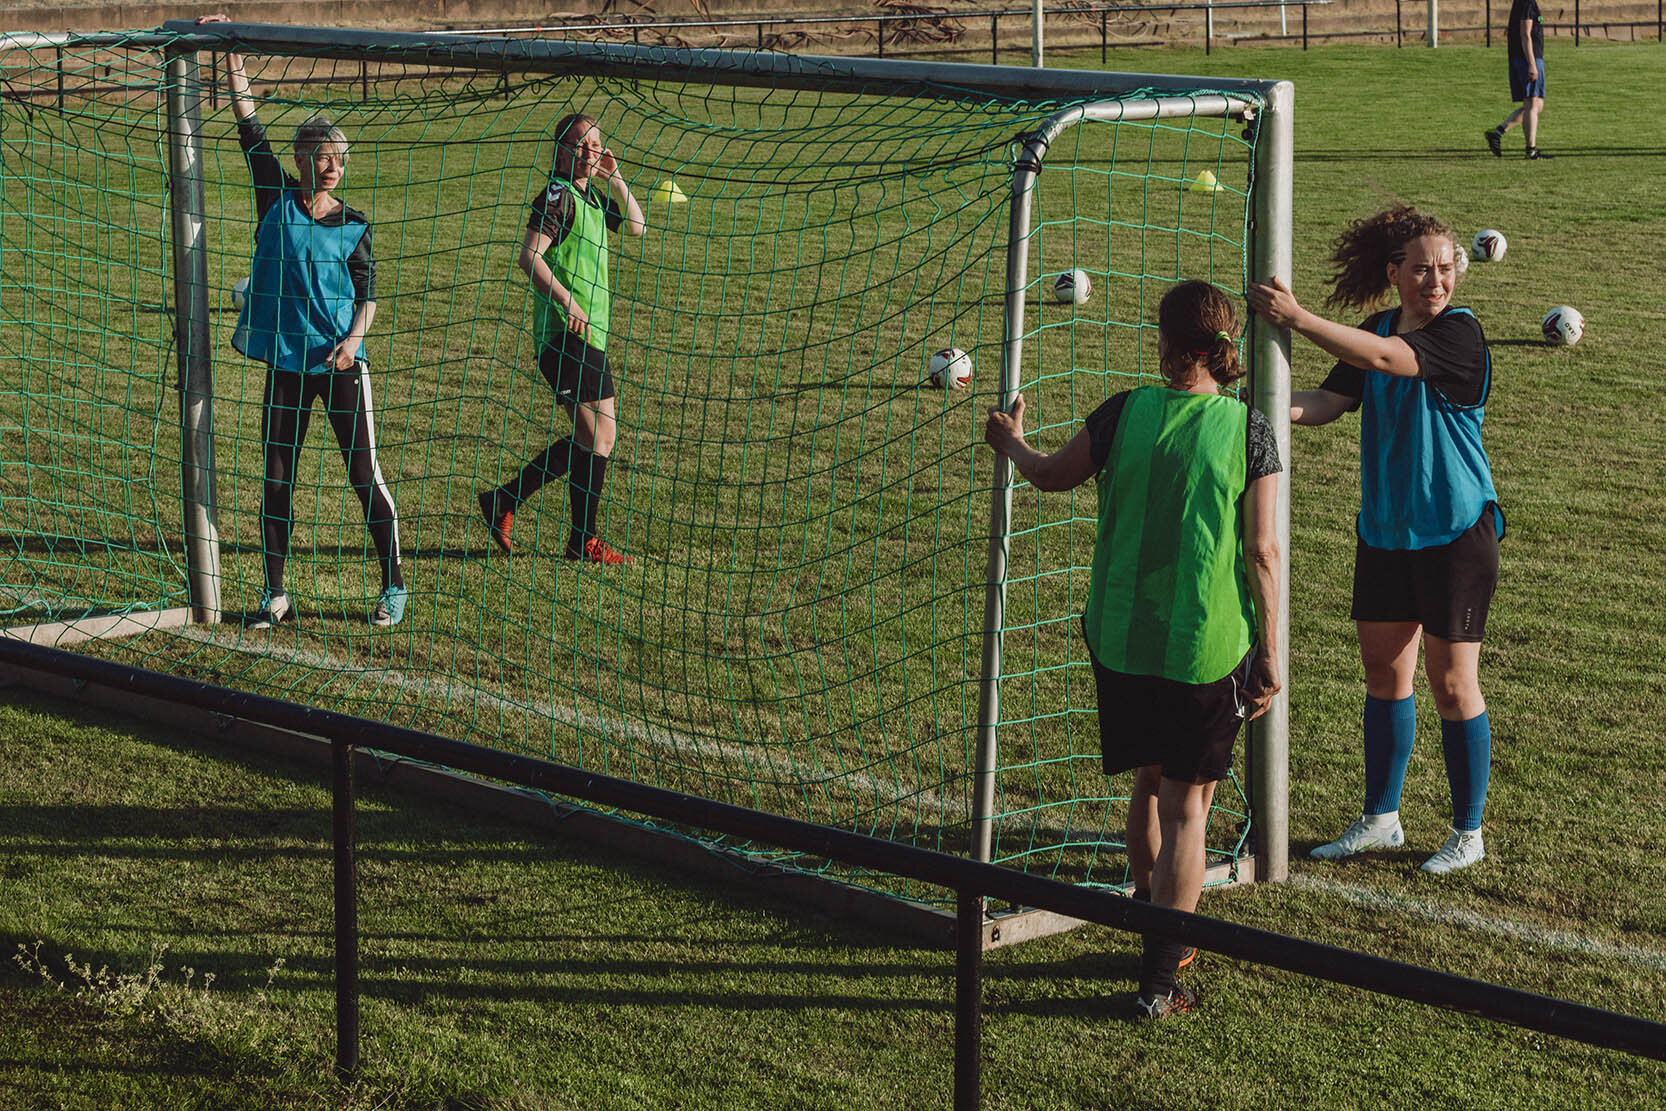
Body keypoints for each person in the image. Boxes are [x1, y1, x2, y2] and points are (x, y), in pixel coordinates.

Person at [985, 280, 1282, 1020]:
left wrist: (1009, 441)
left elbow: (1051, 474)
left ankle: (1151, 938)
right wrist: (1270, 649)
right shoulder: (1250, 429)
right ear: (1226, 343)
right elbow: (1265, 551)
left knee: (1148, 786)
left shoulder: (1125, 411)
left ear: (1163, 340)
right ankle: (1160, 976)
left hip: (1119, 638)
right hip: (1202, 646)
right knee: (1190, 807)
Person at [1248, 205, 1503, 877]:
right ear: (1395, 274)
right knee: (1385, 677)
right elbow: (1331, 402)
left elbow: (1392, 361)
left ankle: (1467, 830)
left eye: (1446, 268)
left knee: (1452, 684)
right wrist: (1255, 405)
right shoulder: (1376, 328)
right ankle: (1380, 818)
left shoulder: (1460, 335)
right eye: (1422, 269)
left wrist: (1298, 318)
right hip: (1386, 532)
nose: (1436, 281)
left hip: (1456, 532)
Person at [205, 17, 407, 629]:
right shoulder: (275, 196)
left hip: (340, 365)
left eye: (340, 159)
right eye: (323, 157)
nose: (333, 167)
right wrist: (230, 55)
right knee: (276, 476)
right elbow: (248, 126)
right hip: (287, 365)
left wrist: (351, 343)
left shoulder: (355, 224)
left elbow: (369, 295)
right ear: (300, 159)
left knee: (362, 475)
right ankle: (275, 593)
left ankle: (394, 586)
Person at [478, 112, 645, 564]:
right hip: (564, 333)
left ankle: (543, 520)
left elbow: (636, 226)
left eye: (595, 143)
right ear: (561, 150)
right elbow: (529, 257)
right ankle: (566, 531)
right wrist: (567, 301)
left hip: (593, 336)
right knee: (593, 437)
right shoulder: (558, 195)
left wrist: (616, 179)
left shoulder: (590, 198)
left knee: (602, 439)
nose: (589, 151)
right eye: (580, 144)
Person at [1485, 0, 1554, 160]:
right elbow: (1525, 34)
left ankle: (1497, 133)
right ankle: (1531, 150)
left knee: (1537, 105)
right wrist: (1531, 64)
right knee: (1531, 104)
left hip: (1524, 58)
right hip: (1527, 60)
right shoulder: (1526, 2)